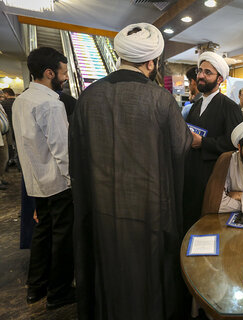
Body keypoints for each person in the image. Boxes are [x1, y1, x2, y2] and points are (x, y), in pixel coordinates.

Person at [69, 23, 192, 320]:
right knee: (147, 273)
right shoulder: (160, 99)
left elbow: (76, 154)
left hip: (100, 211)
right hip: (149, 212)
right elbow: (180, 146)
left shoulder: (88, 98)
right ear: (151, 63)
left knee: (108, 266)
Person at [12, 47, 75, 309]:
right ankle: (59, 292)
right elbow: (62, 149)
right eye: (62, 73)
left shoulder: (22, 100)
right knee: (63, 238)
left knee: (42, 233)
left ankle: (36, 287)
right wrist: (73, 179)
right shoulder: (51, 103)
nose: (66, 78)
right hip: (58, 182)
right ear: (49, 73)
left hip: (36, 181)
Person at [183, 51, 243, 233]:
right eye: (200, 71)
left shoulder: (230, 107)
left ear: (220, 79)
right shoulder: (195, 106)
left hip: (214, 175)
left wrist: (204, 143)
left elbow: (235, 143)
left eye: (207, 72)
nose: (200, 75)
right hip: (191, 173)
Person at [1, 88, 16, 168]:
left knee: (10, 145)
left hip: (9, 128)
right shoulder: (18, 102)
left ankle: (11, 160)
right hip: (16, 126)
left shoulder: (3, 103)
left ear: (6, 93)